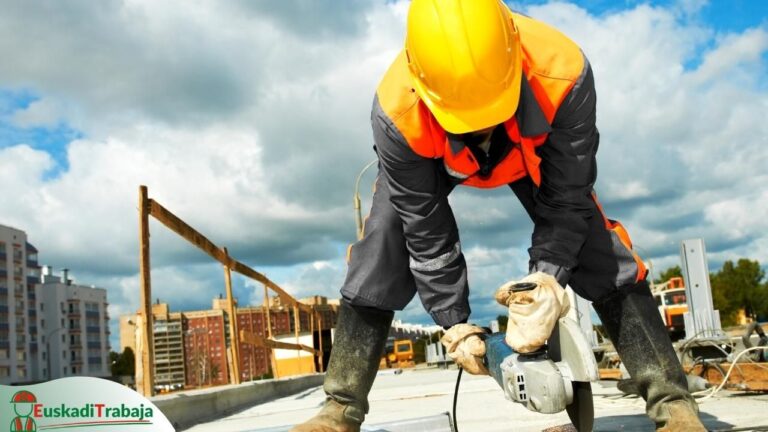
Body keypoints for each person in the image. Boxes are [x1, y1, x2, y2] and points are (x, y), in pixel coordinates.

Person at [291, 0, 705, 431]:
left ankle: (673, 405)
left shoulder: (563, 72)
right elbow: (427, 231)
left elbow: (567, 199)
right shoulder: (398, 112)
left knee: (599, 247)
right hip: (432, 158)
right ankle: (340, 407)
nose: (480, 130)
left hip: (532, 151)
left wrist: (544, 283)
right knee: (382, 243)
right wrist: (455, 324)